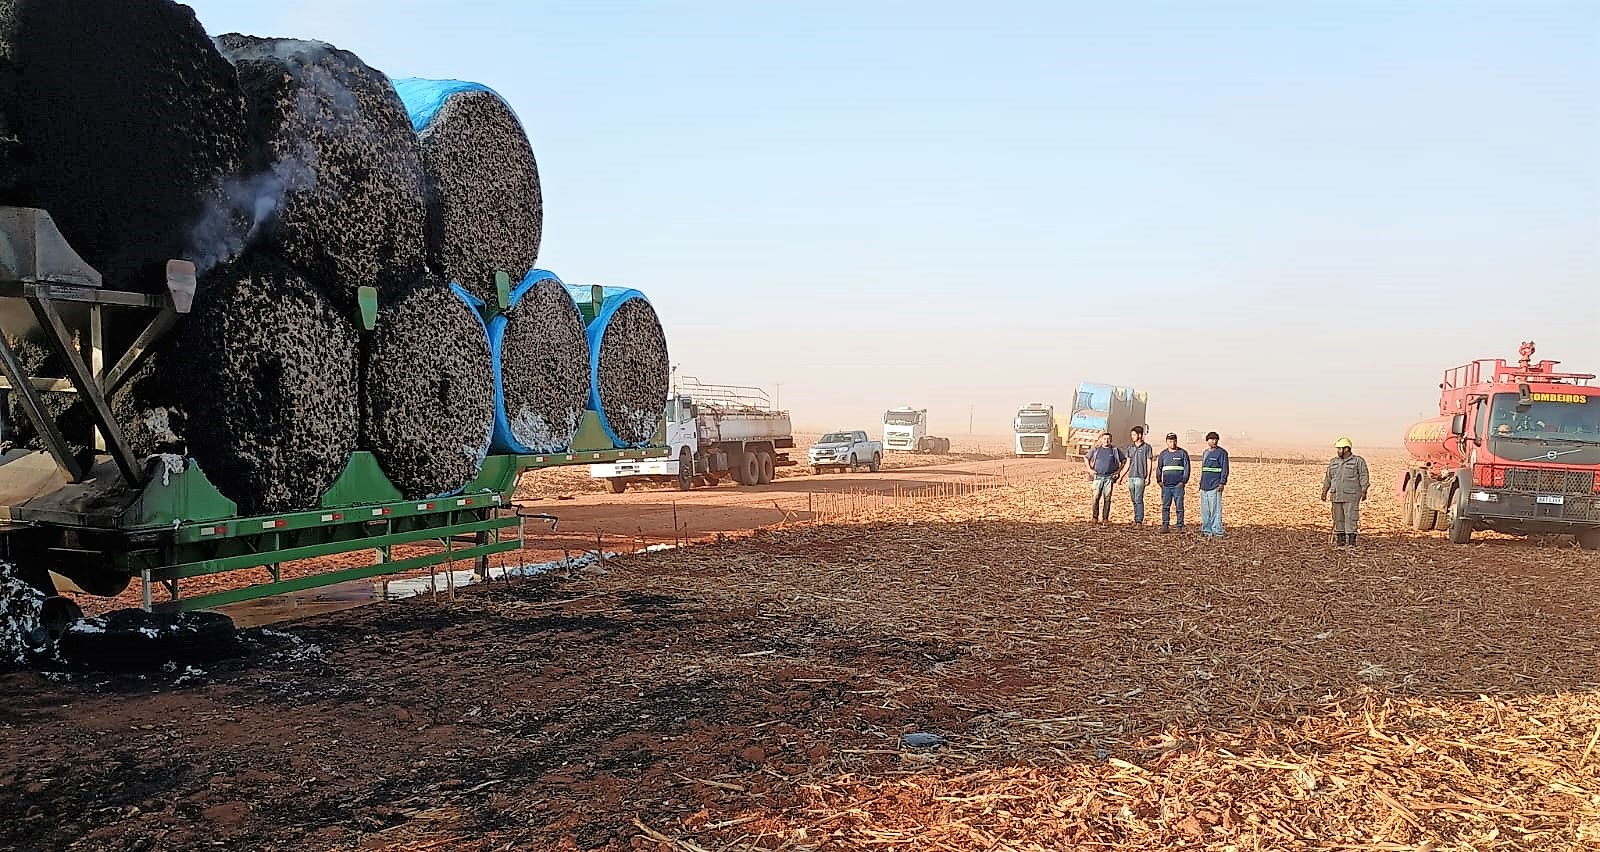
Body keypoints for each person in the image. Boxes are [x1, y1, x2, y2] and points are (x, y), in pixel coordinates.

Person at [1320, 436, 1370, 546]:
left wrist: (1364, 490)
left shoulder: (1358, 461)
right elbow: (1328, 478)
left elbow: (1364, 476)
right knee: (1338, 519)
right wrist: (1324, 491)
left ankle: (1351, 542)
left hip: (1351, 496)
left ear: (1346, 449)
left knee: (1351, 518)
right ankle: (1340, 542)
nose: (1338, 451)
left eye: (1340, 449)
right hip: (1336, 496)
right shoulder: (1333, 462)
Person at [1084, 432, 1126, 523]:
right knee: (1095, 498)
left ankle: (1105, 518)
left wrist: (1118, 472)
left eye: (1108, 439)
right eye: (1104, 439)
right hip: (1097, 477)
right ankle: (1095, 517)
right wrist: (1089, 469)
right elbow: (1086, 458)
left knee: (1107, 499)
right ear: (1101, 440)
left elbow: (1124, 461)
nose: (1106, 441)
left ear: (1111, 440)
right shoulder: (1096, 450)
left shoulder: (1115, 450)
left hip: (1109, 478)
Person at [1120, 426, 1155, 524]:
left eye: (1134, 434)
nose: (1132, 436)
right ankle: (1136, 517)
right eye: (1131, 435)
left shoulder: (1147, 447)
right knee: (1133, 499)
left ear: (1140, 435)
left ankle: (1139, 520)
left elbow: (1149, 462)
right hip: (1131, 477)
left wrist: (1148, 477)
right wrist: (1121, 476)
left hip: (1141, 477)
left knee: (1138, 498)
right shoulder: (1130, 448)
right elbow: (1127, 463)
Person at [1156, 432, 1190, 532]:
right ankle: (1165, 525)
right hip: (1166, 486)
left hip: (1178, 486)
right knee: (1165, 507)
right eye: (1170, 441)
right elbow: (1159, 468)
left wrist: (1183, 482)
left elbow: (1187, 469)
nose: (1173, 443)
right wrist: (1159, 480)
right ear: (1166, 442)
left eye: (1174, 441)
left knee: (1179, 507)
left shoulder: (1182, 453)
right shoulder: (1163, 454)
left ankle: (1180, 526)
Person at [1197, 431, 1229, 538]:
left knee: (1215, 509)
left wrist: (1222, 482)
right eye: (1211, 439)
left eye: (1216, 439)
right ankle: (1206, 530)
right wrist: (1201, 483)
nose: (1214, 441)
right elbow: (1204, 469)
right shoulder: (1205, 453)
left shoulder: (1222, 453)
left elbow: (1225, 469)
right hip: (1204, 486)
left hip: (1215, 485)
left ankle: (1217, 531)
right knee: (1205, 510)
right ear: (1207, 441)